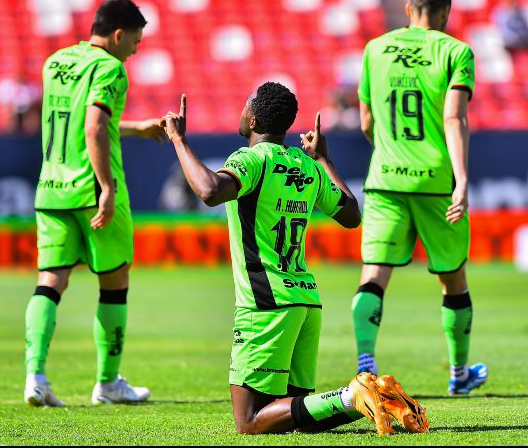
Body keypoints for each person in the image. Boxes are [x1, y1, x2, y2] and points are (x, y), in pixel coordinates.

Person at [162, 83, 429, 435]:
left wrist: (180, 140)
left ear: (253, 118)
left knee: (249, 421)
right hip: (305, 301)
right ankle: (379, 396)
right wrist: (324, 160)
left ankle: (354, 394)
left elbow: (209, 190)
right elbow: (351, 215)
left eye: (244, 106)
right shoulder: (305, 165)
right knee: (296, 418)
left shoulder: (250, 160)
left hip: (266, 304)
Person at [24, 0, 168, 408]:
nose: (136, 50)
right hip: (91, 190)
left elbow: (83, 120)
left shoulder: (56, 62)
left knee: (50, 281)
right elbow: (92, 127)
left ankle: (35, 376)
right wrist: (106, 186)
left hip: (51, 188)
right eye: (136, 42)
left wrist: (136, 129)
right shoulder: (111, 69)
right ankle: (107, 383)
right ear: (119, 34)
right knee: (115, 282)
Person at [352, 0, 488, 396]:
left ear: (409, 10)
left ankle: (364, 365)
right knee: (452, 278)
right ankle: (459, 373)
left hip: (384, 179)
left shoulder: (375, 49)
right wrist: (462, 179)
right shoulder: (455, 51)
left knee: (374, 275)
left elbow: (366, 122)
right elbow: (454, 118)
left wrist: (391, 154)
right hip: (435, 181)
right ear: (445, 15)